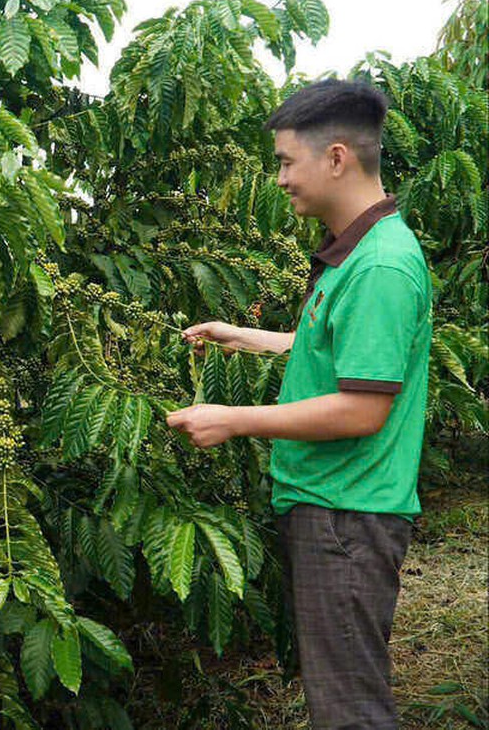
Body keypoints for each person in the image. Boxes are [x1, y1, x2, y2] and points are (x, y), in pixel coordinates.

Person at [166, 80, 430, 729]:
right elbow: (345, 355)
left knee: (351, 712)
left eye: (286, 161)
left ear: (336, 157)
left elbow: (361, 408)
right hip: (336, 507)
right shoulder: (360, 253)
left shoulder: (379, 266)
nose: (279, 178)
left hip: (347, 516)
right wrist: (246, 336)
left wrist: (233, 420)